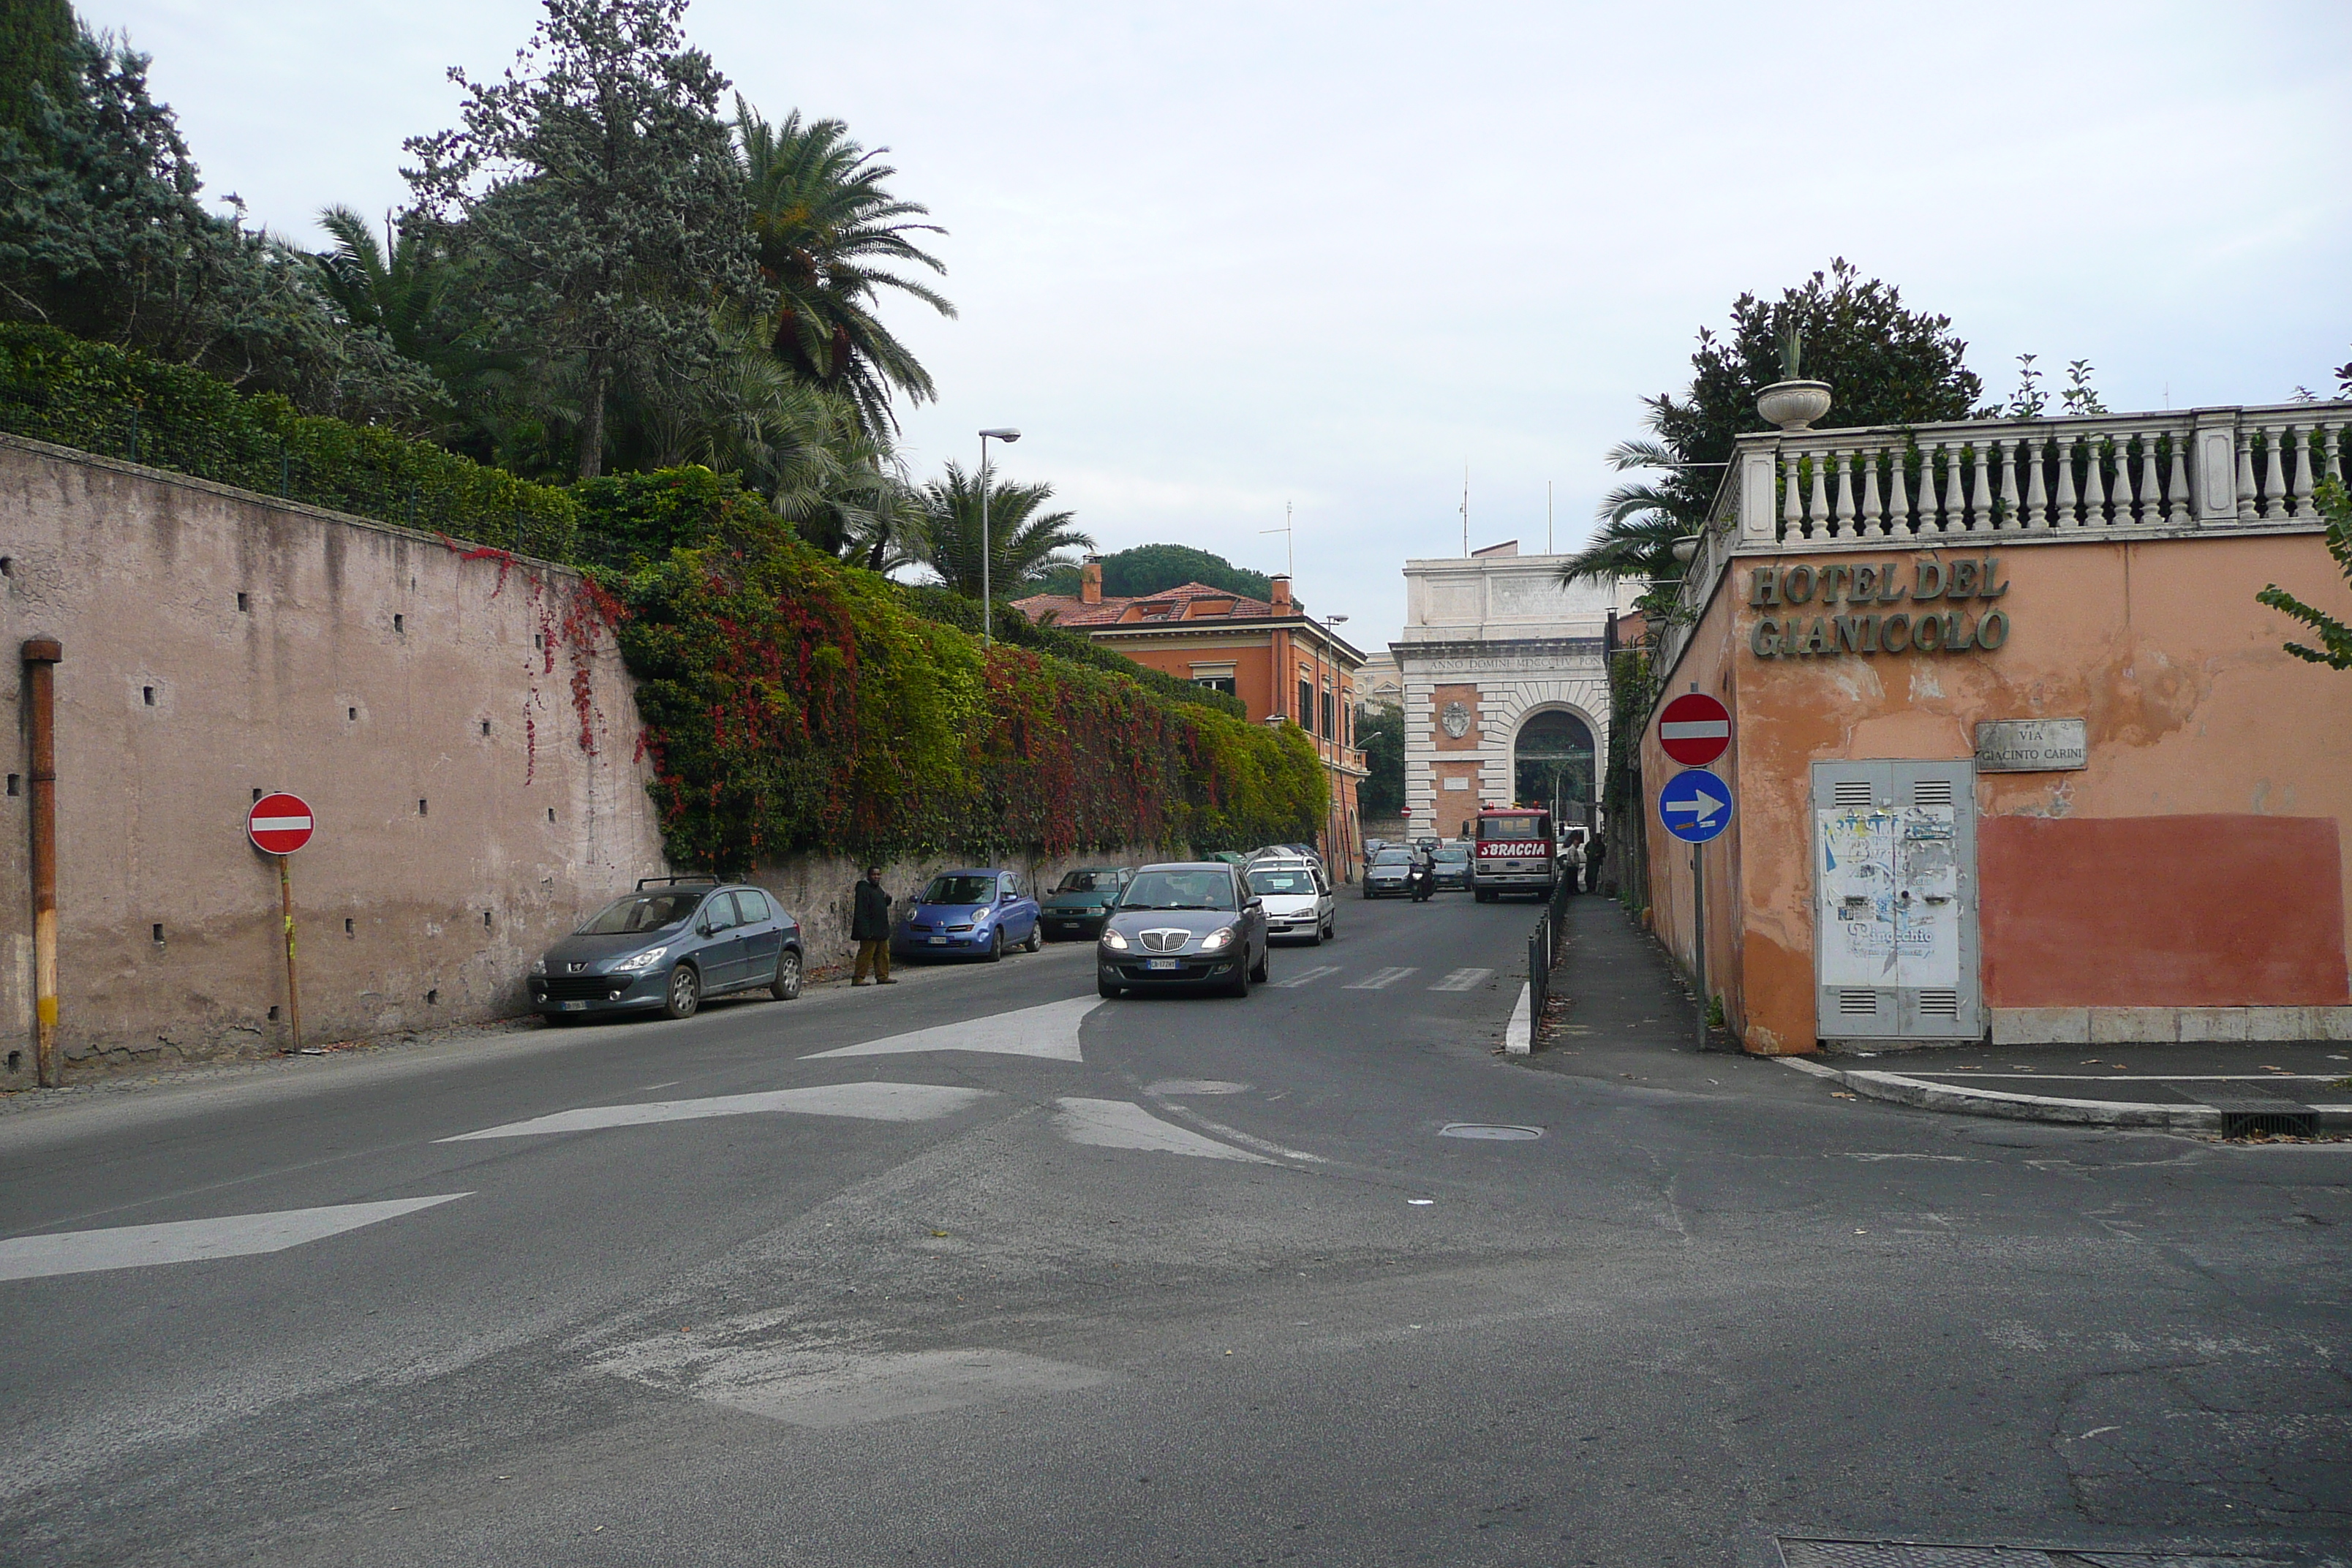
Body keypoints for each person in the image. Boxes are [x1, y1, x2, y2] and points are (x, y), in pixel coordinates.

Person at [851, 865, 896, 985]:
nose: (876, 877)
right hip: (870, 929)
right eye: (874, 875)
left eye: (878, 875)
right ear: (868, 876)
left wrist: (888, 900)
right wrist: (865, 930)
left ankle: (882, 976)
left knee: (883, 953)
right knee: (866, 954)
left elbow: (880, 904)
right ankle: (858, 978)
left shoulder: (878, 889)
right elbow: (861, 911)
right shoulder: (863, 889)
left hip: (881, 928)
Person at [1586, 832, 1608, 897]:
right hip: (1589, 861)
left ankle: (1593, 888)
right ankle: (1588, 888)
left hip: (1596, 862)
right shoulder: (1590, 844)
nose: (1596, 840)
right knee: (1588, 875)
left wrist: (1599, 855)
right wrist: (1588, 853)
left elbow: (1604, 853)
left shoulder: (1601, 845)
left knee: (1594, 875)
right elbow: (1586, 849)